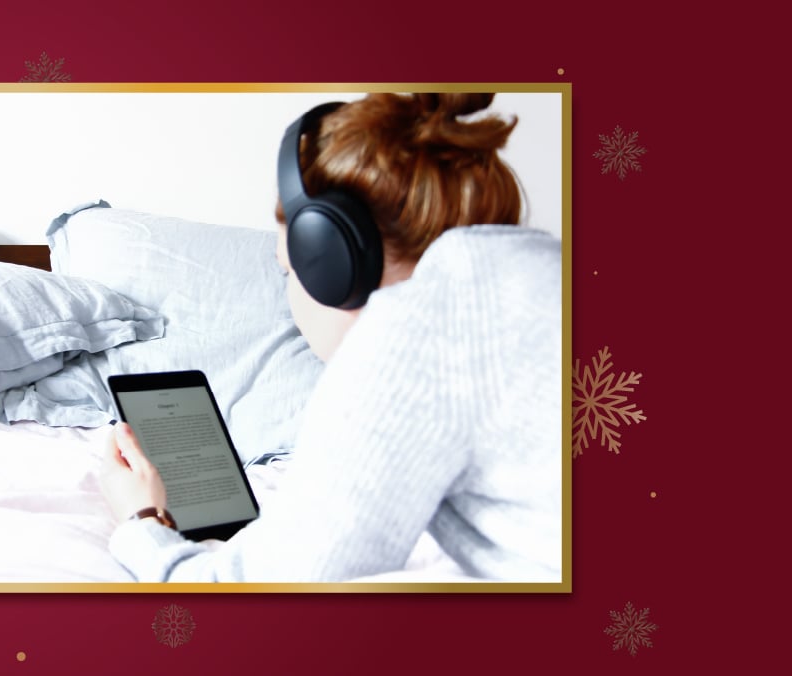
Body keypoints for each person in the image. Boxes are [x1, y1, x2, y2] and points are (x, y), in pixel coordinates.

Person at [98, 93, 562, 582]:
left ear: (331, 258)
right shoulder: (547, 267)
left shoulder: (410, 336)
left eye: (287, 271)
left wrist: (141, 520)